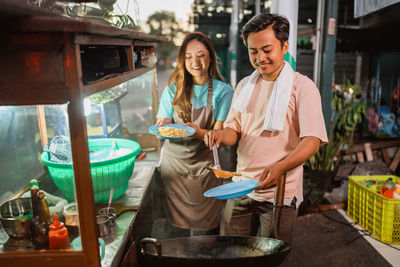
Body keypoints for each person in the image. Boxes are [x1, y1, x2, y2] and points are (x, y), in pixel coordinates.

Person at [205, 13, 328, 243]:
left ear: (285, 46)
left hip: (279, 193)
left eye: (267, 49)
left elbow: (312, 140)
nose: (260, 57)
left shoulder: (302, 87)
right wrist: (220, 135)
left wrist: (280, 167)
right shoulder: (245, 85)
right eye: (253, 51)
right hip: (241, 187)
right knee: (231, 249)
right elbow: (234, 131)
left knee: (268, 257)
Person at [156, 32, 234, 238]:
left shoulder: (223, 92)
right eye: (188, 57)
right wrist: (162, 122)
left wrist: (198, 132)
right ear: (183, 60)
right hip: (174, 168)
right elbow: (163, 122)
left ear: (210, 57)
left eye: (200, 55)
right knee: (175, 233)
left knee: (207, 233)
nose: (195, 62)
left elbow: (218, 135)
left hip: (204, 168)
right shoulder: (173, 89)